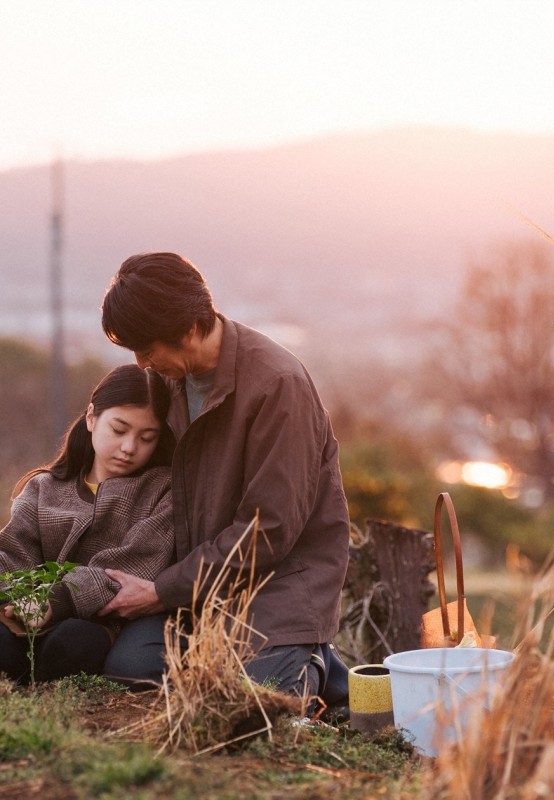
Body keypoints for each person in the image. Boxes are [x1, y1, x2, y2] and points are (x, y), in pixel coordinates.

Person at [97, 252, 351, 706]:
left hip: (275, 588)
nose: (141, 362)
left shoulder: (278, 386)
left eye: (148, 348)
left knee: (248, 704)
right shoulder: (169, 379)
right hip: (197, 589)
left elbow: (266, 532)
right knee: (131, 675)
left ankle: (313, 663)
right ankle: (296, 662)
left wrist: (159, 592)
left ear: (189, 330)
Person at [0, 363, 175, 684]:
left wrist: (55, 601)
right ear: (91, 417)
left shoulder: (162, 491)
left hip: (94, 627)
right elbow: (8, 561)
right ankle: (12, 675)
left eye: (147, 438)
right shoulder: (43, 488)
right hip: (24, 619)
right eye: (119, 430)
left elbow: (128, 571)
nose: (129, 447)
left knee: (76, 642)